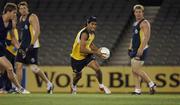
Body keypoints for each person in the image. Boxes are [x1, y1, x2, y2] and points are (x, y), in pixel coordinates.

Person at [16, 1, 53, 94]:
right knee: (18, 66)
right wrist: (20, 44)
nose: (23, 10)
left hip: (32, 46)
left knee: (34, 68)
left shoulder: (32, 16)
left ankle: (49, 83)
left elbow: (37, 31)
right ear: (19, 10)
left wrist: (31, 44)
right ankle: (19, 88)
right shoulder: (20, 18)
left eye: (24, 8)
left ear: (27, 8)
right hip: (23, 46)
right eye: (21, 8)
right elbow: (23, 34)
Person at [70, 16, 111, 94]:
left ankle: (101, 85)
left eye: (95, 24)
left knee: (97, 69)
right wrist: (96, 53)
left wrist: (98, 50)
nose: (94, 26)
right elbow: (82, 50)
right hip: (77, 58)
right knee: (78, 76)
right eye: (92, 24)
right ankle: (73, 85)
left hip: (86, 56)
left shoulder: (92, 33)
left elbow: (90, 43)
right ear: (88, 24)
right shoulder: (84, 33)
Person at [0, 2, 29, 94]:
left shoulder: (10, 24)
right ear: (8, 12)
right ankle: (20, 88)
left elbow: (13, 39)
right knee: (9, 68)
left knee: (1, 70)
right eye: (14, 12)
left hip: (2, 48)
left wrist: (20, 49)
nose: (15, 15)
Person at [128, 4, 156, 95]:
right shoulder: (135, 23)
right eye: (136, 12)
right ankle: (138, 90)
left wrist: (141, 49)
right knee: (134, 70)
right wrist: (130, 47)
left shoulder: (145, 23)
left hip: (141, 49)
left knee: (136, 69)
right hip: (134, 49)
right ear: (134, 13)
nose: (138, 13)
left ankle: (152, 84)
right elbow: (133, 36)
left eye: (140, 12)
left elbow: (146, 37)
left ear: (143, 13)